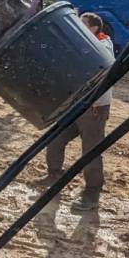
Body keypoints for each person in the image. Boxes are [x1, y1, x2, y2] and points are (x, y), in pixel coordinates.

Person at [43, 12, 114, 212]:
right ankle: (54, 175)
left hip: (94, 108)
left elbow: (103, 75)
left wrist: (94, 100)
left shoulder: (103, 46)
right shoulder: (84, 44)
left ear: (94, 29)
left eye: (82, 24)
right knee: (55, 139)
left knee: (91, 151)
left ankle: (92, 192)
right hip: (77, 105)